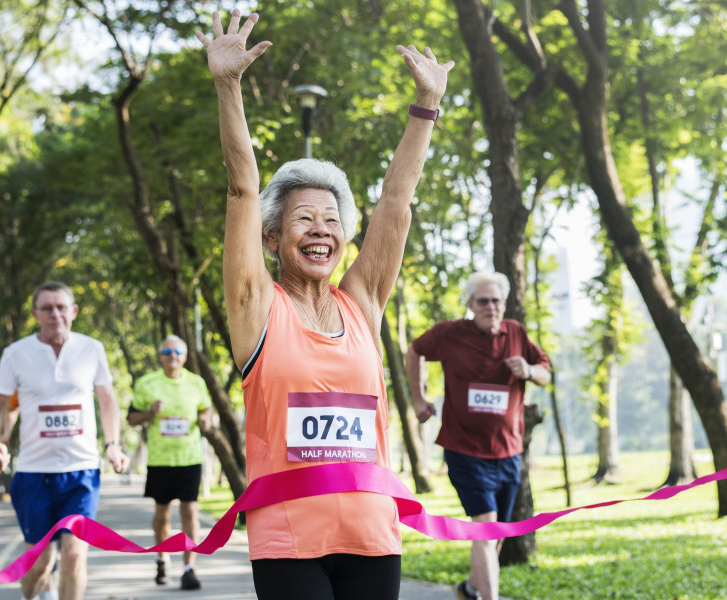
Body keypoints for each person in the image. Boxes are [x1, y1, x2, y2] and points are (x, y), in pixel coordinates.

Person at [196, 9, 453, 600]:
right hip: (289, 538)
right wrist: (228, 86)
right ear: (271, 238)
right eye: (303, 218)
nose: (321, 229)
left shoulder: (361, 302)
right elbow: (240, 185)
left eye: (332, 220)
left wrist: (426, 108)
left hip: (372, 534)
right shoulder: (256, 305)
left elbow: (397, 201)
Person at [405, 271, 551, 600]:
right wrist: (418, 397)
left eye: (496, 301)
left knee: (493, 535)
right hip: (464, 450)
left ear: (504, 303)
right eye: (482, 301)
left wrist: (528, 371)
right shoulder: (450, 334)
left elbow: (544, 371)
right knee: (485, 529)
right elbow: (414, 351)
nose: (490, 307)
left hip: (508, 452)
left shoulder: (516, 333)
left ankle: (471, 588)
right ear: (470, 304)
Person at [0, 281, 129, 600]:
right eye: (47, 308)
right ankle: (35, 593)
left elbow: (107, 401)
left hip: (81, 472)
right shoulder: (16, 354)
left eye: (61, 307)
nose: (55, 314)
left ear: (73, 311)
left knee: (75, 554)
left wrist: (113, 444)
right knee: (40, 563)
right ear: (35, 314)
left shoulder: (92, 349)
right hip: (34, 474)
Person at [127, 334, 212, 591]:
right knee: (162, 515)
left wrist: (207, 419)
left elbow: (206, 409)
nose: (172, 356)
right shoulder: (147, 383)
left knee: (189, 512)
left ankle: (189, 568)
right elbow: (131, 419)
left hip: (190, 458)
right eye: (167, 351)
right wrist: (150, 413)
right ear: (160, 356)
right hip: (161, 460)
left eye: (177, 352)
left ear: (185, 356)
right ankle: (162, 558)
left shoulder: (196, 383)